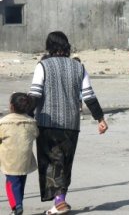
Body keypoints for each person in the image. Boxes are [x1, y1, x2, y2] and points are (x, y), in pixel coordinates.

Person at [28, 31, 108, 214]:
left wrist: (24, 116)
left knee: (50, 162)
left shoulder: (43, 66)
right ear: (66, 46)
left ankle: (58, 202)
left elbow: (34, 94)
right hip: (71, 124)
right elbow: (89, 96)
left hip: (48, 123)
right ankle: (59, 200)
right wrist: (100, 119)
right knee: (65, 162)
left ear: (49, 46)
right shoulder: (79, 67)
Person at [0, 93, 38, 215]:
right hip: (24, 159)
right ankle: (18, 205)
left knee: (11, 183)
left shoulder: (3, 122)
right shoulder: (31, 122)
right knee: (20, 182)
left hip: (9, 160)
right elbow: (36, 134)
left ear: (11, 106)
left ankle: (17, 206)